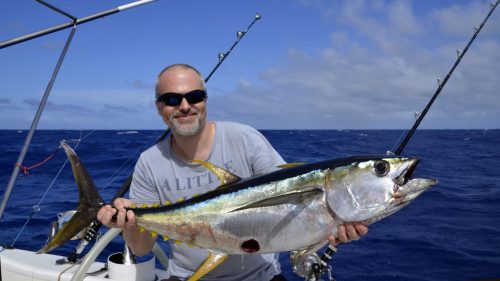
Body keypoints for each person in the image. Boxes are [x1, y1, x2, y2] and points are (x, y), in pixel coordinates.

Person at [97, 64, 368, 281]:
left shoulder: (244, 138)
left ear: (205, 100)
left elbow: (287, 206)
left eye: (194, 96)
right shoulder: (149, 162)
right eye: (171, 99)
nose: (184, 106)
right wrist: (130, 223)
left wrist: (328, 229)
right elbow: (141, 249)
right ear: (159, 108)